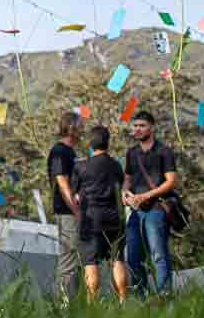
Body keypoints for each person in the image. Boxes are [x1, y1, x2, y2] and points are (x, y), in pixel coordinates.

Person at [122, 110, 179, 296]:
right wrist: (124, 193)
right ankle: (140, 299)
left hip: (156, 209)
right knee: (133, 258)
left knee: (158, 255)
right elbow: (128, 178)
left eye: (142, 126)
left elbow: (171, 181)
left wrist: (146, 196)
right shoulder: (131, 153)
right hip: (135, 211)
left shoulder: (164, 151)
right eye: (135, 126)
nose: (137, 129)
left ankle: (165, 297)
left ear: (152, 128)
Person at [71, 125, 127, 302]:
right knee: (117, 260)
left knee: (90, 263)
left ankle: (92, 304)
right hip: (114, 220)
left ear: (90, 143)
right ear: (107, 143)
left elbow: (76, 197)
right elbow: (119, 185)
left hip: (91, 222)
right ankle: (123, 300)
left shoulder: (80, 167)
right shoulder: (116, 166)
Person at [47, 111, 82, 298]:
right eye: (80, 126)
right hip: (67, 212)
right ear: (72, 128)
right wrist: (75, 210)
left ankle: (74, 301)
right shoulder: (60, 152)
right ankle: (63, 304)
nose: (82, 130)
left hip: (73, 211)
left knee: (76, 258)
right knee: (68, 259)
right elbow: (62, 182)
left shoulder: (71, 152)